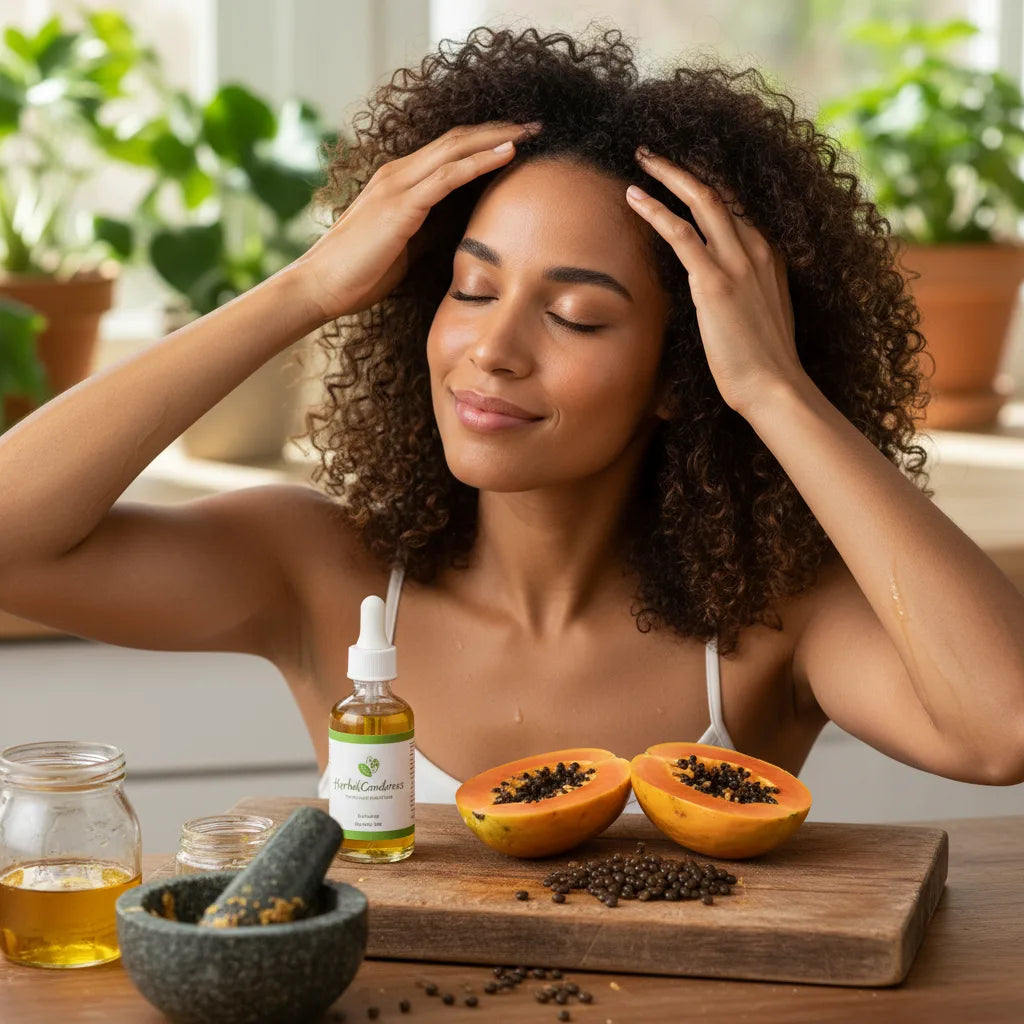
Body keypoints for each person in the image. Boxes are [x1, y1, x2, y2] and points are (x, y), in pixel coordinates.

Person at [1, 26, 1022, 807]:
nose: (492, 350)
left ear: (682, 370)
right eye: (472, 288)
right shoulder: (325, 572)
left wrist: (770, 387)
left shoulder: (772, 619)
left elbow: (1001, 731)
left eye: (574, 315)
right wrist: (305, 290)